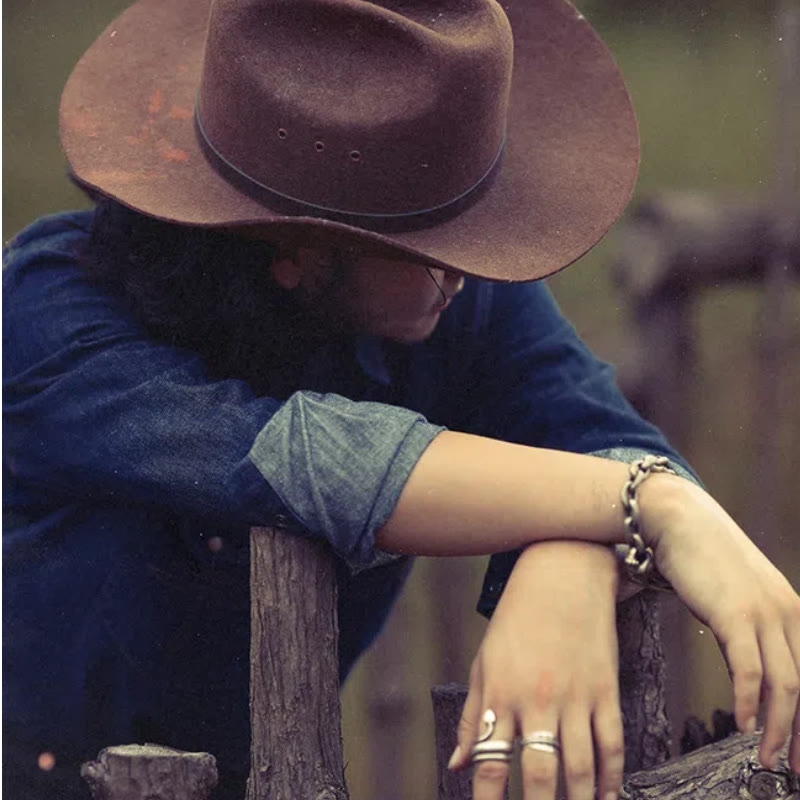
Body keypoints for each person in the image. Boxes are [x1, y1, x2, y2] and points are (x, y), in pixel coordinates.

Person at [3, 0, 799, 799]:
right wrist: (649, 504)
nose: (461, 267)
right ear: (295, 256)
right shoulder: (49, 315)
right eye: (423, 249)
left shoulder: (460, 300)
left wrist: (571, 557)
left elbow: (601, 438)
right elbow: (301, 459)